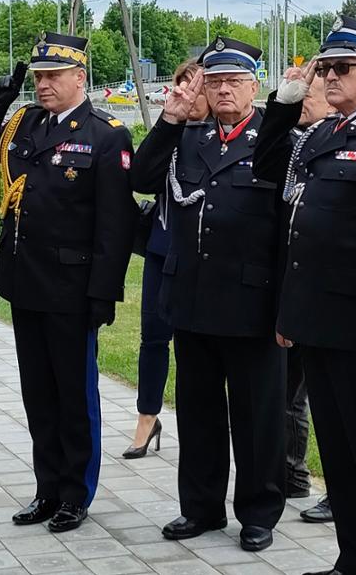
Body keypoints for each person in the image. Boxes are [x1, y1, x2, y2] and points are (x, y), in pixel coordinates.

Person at [252, 16, 356, 575]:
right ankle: (352, 560)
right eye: (324, 67)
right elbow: (272, 174)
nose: (329, 77)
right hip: (317, 325)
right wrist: (284, 100)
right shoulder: (325, 134)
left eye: (342, 68)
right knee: (341, 459)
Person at [0, 32, 133, 533]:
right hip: (25, 282)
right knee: (39, 394)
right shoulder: (24, 122)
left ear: (81, 77)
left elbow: (114, 226)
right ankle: (47, 488)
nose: (44, 84)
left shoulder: (106, 134)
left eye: (54, 76)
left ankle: (76, 493)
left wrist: (103, 293)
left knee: (74, 396)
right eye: (38, 76)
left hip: (72, 290)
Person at [132, 38, 288, 552]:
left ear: (254, 87)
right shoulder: (189, 136)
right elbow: (143, 178)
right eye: (214, 81)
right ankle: (200, 509)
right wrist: (171, 118)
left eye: (234, 82)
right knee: (197, 414)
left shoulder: (276, 137)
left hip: (252, 304)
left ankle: (259, 513)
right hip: (192, 301)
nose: (223, 90)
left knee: (257, 417)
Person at [127, 60, 205, 461]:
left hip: (204, 257)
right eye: (180, 86)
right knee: (153, 339)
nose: (187, 94)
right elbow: (140, 178)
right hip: (163, 248)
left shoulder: (220, 136)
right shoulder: (171, 133)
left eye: (195, 87)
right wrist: (167, 123)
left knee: (201, 349)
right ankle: (146, 417)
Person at [289, 71, 334, 524]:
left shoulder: (328, 141)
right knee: (294, 396)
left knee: (305, 398)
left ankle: (300, 477)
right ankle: (291, 473)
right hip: (295, 293)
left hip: (332, 301)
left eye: (309, 94)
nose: (302, 101)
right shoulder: (299, 142)